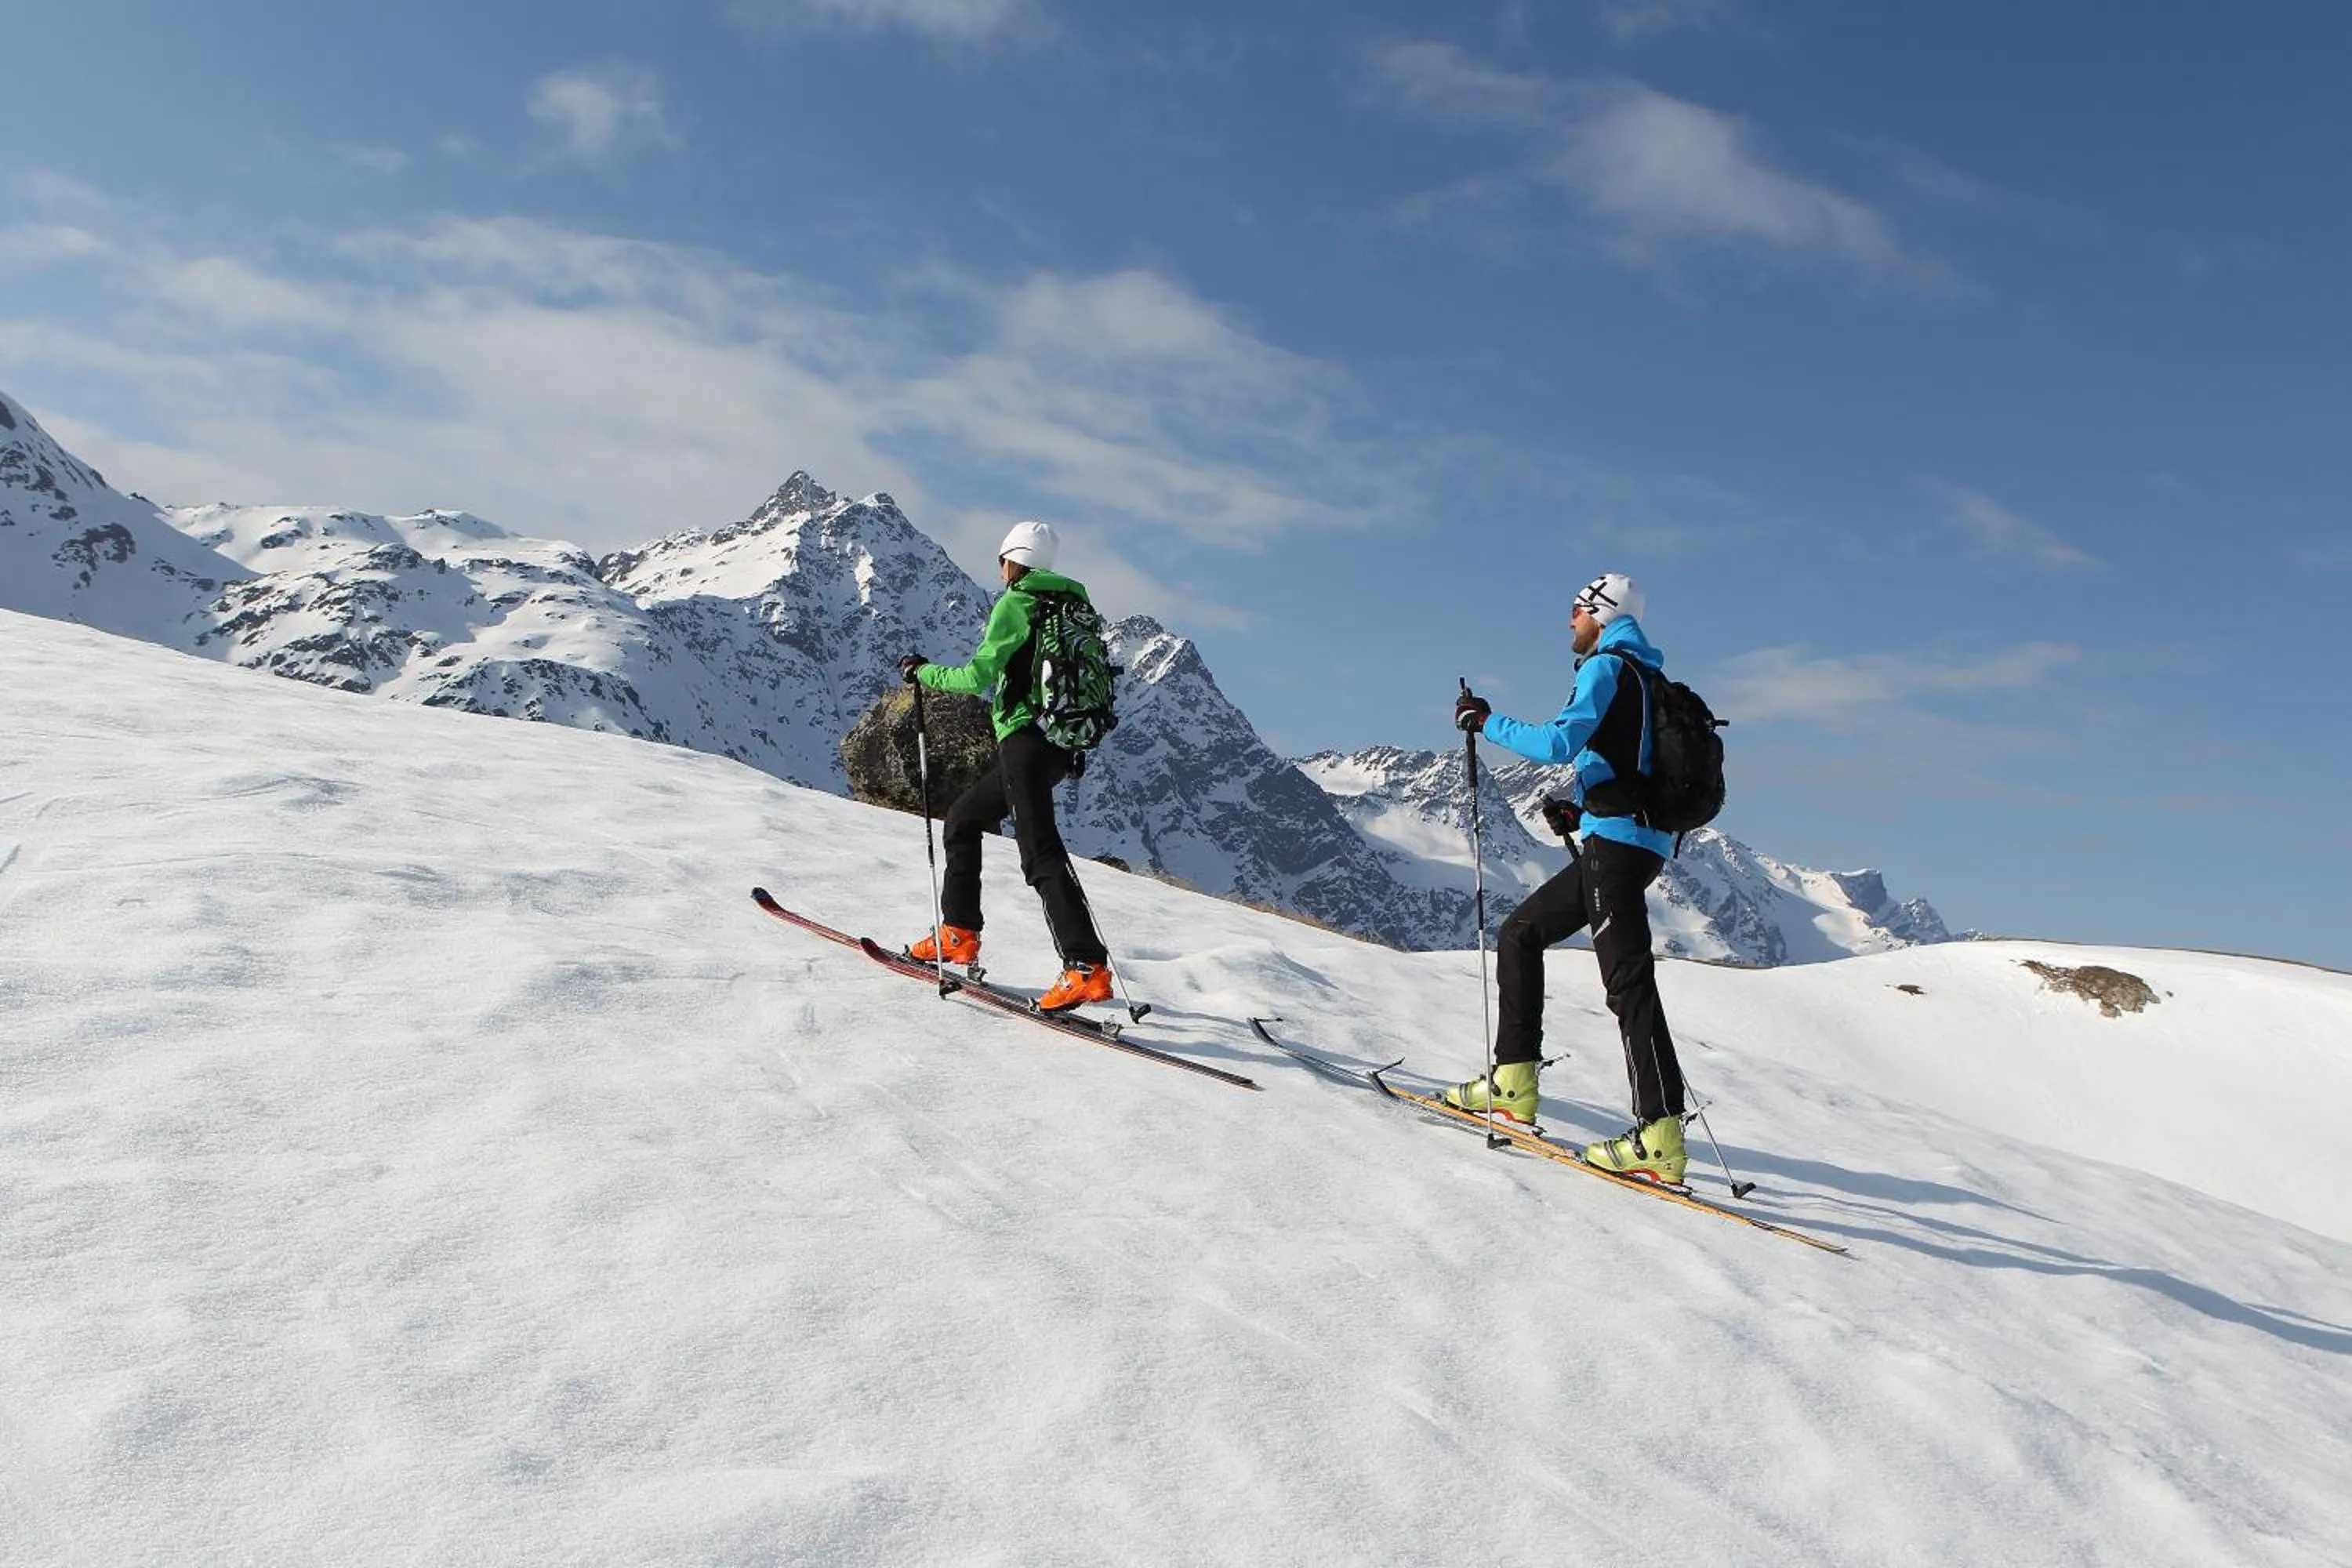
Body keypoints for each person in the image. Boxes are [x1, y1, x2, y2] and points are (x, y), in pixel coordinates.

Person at [1444, 572, 1690, 1185]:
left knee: (1628, 983)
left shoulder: (1608, 668)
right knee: (1521, 933)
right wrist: (1583, 812)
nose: (1569, 621)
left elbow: (1561, 743)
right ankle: (1513, 1082)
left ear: (1601, 613)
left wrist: (1486, 722)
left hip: (1620, 850)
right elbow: (1630, 768)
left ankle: (1660, 1137)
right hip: (1628, 839)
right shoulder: (1645, 677)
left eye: (1577, 609)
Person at [898, 521, 1114, 1014]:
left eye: (1002, 561)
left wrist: (923, 671)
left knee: (1038, 852)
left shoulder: (1017, 604)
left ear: (1012, 562)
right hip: (1061, 745)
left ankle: (1085, 966)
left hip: (1025, 741)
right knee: (964, 819)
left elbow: (978, 675)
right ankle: (958, 933)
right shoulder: (1072, 606)